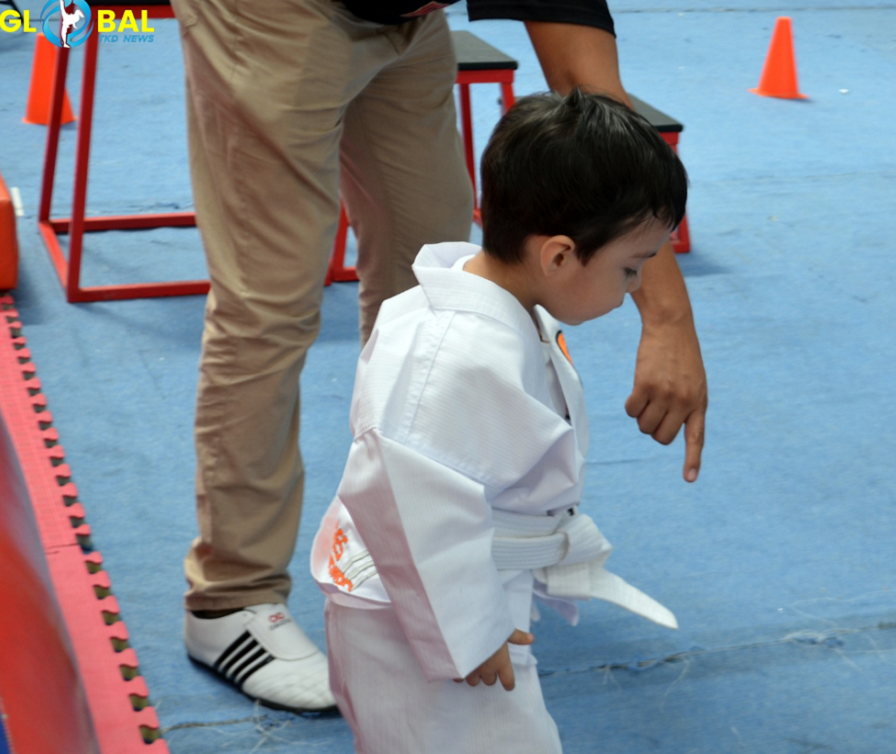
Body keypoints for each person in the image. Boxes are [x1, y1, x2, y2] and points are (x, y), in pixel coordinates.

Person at [172, 0, 706, 712]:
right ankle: (230, 599)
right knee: (268, 302)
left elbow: (590, 86)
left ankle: (412, 556)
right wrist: (663, 314)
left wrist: (670, 318)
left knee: (441, 283)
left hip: (404, 16)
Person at [311, 88, 686, 753]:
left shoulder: (500, 308)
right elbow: (406, 505)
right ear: (560, 256)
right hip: (411, 611)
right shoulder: (449, 360)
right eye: (631, 269)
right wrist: (468, 629)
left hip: (449, 586)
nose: (634, 288)